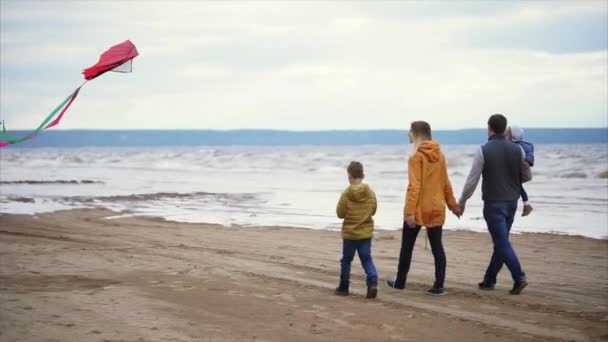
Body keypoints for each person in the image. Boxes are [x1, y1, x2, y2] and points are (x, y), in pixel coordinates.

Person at [386, 121, 461, 296]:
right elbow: (445, 183)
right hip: (436, 208)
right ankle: (439, 286)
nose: (408, 135)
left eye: (410, 132)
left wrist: (409, 212)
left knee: (407, 247)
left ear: (416, 134)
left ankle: (400, 282)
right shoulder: (440, 155)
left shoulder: (416, 157)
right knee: (437, 247)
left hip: (419, 209)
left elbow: (415, 187)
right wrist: (453, 206)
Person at [459, 114, 531, 295]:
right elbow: (527, 176)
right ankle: (489, 280)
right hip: (512, 203)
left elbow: (471, 181)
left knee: (501, 242)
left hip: (493, 204)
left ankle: (519, 277)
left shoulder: (483, 150)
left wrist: (463, 200)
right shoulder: (518, 150)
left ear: (489, 129)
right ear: (504, 128)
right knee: (502, 242)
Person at [335, 161, 378, 299]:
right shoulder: (370, 193)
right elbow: (374, 210)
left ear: (349, 176)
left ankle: (344, 287)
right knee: (366, 259)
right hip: (365, 233)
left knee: (346, 260)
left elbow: (340, 213)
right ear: (363, 175)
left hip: (350, 234)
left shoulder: (346, 193)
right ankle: (372, 282)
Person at [507, 125, 535, 216]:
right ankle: (524, 204)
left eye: (507, 132)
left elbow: (529, 154)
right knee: (514, 186)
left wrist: (527, 161)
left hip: (522, 172)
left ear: (513, 135)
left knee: (517, 185)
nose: (505, 134)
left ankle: (526, 205)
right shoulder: (509, 144)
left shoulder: (523, 145)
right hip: (515, 171)